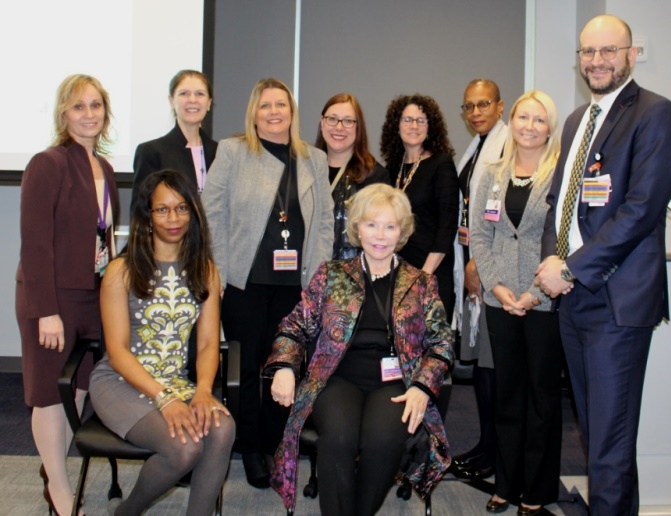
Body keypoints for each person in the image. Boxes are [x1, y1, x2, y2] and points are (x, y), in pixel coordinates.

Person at [534, 15, 671, 515]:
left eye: (608, 50)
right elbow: (560, 200)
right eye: (587, 52)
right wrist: (551, 263)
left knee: (609, 442)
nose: (597, 61)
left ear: (631, 54)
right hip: (575, 298)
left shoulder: (657, 114)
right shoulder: (580, 119)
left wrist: (572, 267)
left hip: (615, 301)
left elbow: (639, 211)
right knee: (600, 434)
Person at [266, 183, 454, 515]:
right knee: (338, 439)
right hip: (337, 379)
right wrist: (284, 366)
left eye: (390, 226)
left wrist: (424, 387)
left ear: (402, 232)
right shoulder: (332, 274)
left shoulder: (421, 283)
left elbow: (442, 342)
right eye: (371, 224)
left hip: (397, 384)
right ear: (357, 228)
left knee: (382, 441)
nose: (380, 235)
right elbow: (292, 326)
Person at [202, 77, 334, 489]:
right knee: (244, 367)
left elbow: (325, 221)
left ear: (292, 112)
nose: (274, 112)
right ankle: (250, 446)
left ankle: (279, 443)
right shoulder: (234, 151)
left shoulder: (313, 157)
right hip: (244, 282)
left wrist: (318, 278)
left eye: (281, 105)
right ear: (253, 114)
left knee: (285, 365)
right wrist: (218, 271)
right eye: (265, 106)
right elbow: (212, 213)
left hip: (294, 285)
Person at [90, 170, 235, 515]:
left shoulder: (206, 271)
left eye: (182, 208)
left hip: (177, 382)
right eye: (163, 209)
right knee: (184, 448)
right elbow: (118, 351)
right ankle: (127, 512)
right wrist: (165, 398)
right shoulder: (121, 271)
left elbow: (207, 344)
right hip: (121, 382)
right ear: (147, 215)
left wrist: (202, 390)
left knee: (222, 428)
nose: (174, 218)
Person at [16, 74, 119, 516]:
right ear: (64, 113)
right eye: (79, 107)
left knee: (77, 389)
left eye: (96, 106)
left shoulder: (107, 169)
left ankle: (51, 464)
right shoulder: (48, 163)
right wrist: (46, 312)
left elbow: (107, 236)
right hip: (51, 298)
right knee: (48, 394)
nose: (89, 114)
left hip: (92, 297)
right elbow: (35, 242)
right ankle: (59, 490)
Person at [472, 91, 563, 514]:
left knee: (542, 398)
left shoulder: (561, 175)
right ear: (512, 120)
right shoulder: (491, 174)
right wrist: (497, 287)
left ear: (550, 127)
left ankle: (538, 490)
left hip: (543, 299)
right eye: (523, 117)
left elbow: (565, 238)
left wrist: (536, 292)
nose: (529, 125)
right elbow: (480, 236)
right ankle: (505, 484)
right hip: (500, 299)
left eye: (539, 119)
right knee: (507, 394)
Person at [451, 78, 509, 481]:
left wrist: (478, 264)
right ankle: (487, 444)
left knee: (492, 367)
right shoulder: (475, 149)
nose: (476, 112)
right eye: (469, 106)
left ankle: (497, 451)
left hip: (493, 271)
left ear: (500, 106)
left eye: (483, 104)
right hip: (473, 264)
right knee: (482, 366)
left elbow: (497, 213)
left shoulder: (507, 147)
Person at [380, 94, 459, 320]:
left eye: (421, 120)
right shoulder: (393, 168)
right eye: (407, 120)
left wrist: (423, 276)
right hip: (397, 272)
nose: (413, 126)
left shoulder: (441, 164)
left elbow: (447, 226)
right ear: (397, 126)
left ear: (430, 127)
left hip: (430, 273)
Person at [316, 93, 390, 259]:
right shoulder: (307, 171)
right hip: (308, 275)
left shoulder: (375, 177)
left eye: (348, 121)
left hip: (356, 278)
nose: (339, 127)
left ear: (358, 127)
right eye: (332, 119)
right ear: (322, 122)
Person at [130, 70, 217, 211]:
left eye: (200, 94)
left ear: (209, 103)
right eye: (184, 94)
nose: (192, 100)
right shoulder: (151, 152)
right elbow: (140, 212)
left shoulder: (221, 152)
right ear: (171, 101)